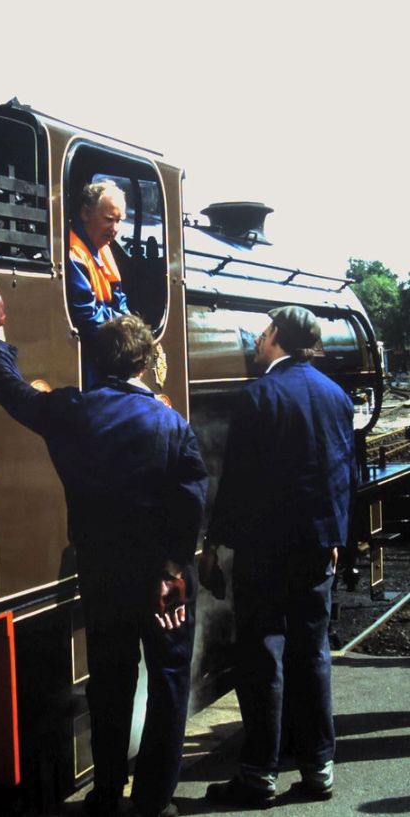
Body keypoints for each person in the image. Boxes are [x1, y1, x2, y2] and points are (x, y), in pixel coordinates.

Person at [0, 273, 208, 817]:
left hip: (102, 572)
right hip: (161, 578)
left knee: (110, 680)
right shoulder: (172, 425)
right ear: (144, 363)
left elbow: (13, 391)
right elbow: (191, 502)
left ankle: (105, 793)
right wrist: (173, 569)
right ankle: (152, 801)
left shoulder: (72, 411)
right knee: (169, 681)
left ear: (98, 361)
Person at [200, 305, 356, 809]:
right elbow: (342, 473)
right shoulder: (336, 396)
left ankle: (258, 773)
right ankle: (318, 767)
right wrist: (335, 535)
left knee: (262, 653)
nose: (258, 339)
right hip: (316, 546)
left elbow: (237, 480)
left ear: (276, 338)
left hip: (265, 549)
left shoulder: (259, 396)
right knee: (312, 653)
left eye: (264, 331)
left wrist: (214, 542)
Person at [68, 181, 130, 386]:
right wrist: (127, 326)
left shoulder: (104, 249)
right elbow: (87, 317)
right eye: (109, 219)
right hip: (88, 357)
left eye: (119, 221)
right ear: (86, 213)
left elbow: (120, 300)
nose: (115, 229)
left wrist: (130, 324)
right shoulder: (74, 253)